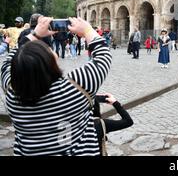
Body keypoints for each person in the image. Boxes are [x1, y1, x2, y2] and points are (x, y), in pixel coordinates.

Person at [1, 17, 112, 156]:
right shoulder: (76, 87)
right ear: (49, 62)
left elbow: (7, 64)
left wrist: (33, 35)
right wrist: (88, 30)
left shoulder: (12, 94)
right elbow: (103, 56)